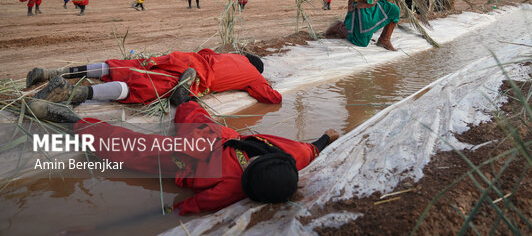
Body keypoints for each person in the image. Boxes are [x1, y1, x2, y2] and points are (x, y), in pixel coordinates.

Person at [27, 99, 339, 214]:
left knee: (193, 114)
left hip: (217, 137)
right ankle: (71, 121)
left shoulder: (292, 154)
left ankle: (184, 98)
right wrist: (177, 208)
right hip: (189, 159)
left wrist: (328, 137)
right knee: (131, 148)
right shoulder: (236, 187)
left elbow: (314, 147)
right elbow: (197, 204)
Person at [26, 49, 282, 105]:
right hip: (195, 78)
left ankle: (55, 73)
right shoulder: (254, 77)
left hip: (187, 59)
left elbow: (206, 52)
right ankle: (74, 93)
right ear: (255, 68)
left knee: (127, 65)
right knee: (140, 88)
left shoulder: (232, 55)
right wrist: (268, 85)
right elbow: (273, 98)